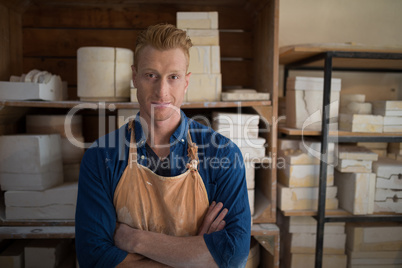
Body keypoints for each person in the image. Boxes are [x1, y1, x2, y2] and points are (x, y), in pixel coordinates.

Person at [75, 23, 251, 268]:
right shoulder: (101, 157)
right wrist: (194, 256)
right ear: (135, 76)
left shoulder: (223, 153)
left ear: (186, 82)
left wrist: (134, 240)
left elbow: (234, 255)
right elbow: (93, 258)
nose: (162, 91)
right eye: (151, 75)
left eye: (173, 77)